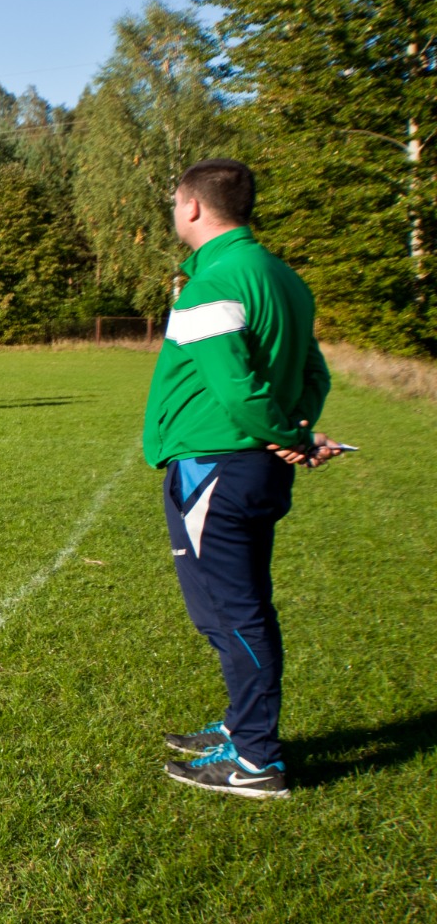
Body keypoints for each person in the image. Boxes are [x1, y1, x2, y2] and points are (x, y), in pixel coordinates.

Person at [148, 160, 343, 801]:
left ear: (195, 207)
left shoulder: (214, 283)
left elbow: (235, 388)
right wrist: (297, 428)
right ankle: (241, 728)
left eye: (175, 201)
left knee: (233, 616)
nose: (174, 210)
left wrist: (287, 436)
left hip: (217, 467)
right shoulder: (282, 278)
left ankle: (257, 759)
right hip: (245, 466)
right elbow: (314, 373)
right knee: (233, 609)